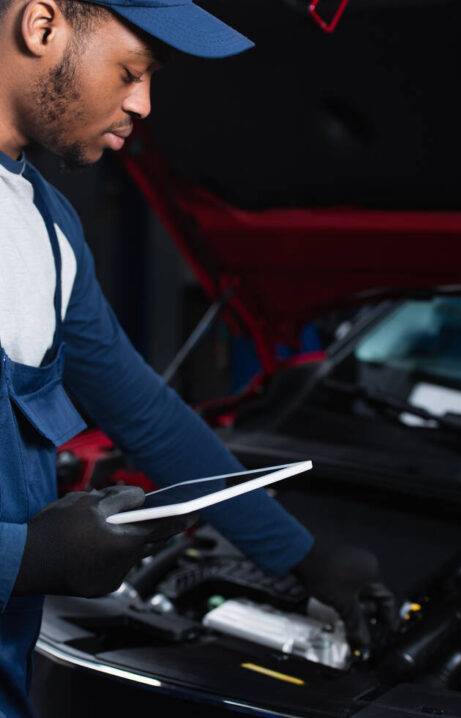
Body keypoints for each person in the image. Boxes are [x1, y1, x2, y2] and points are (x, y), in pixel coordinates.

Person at [0, 1, 397, 716]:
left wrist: (302, 557)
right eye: (132, 70)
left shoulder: (46, 226)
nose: (143, 104)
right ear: (42, 26)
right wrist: (23, 559)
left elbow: (142, 411)